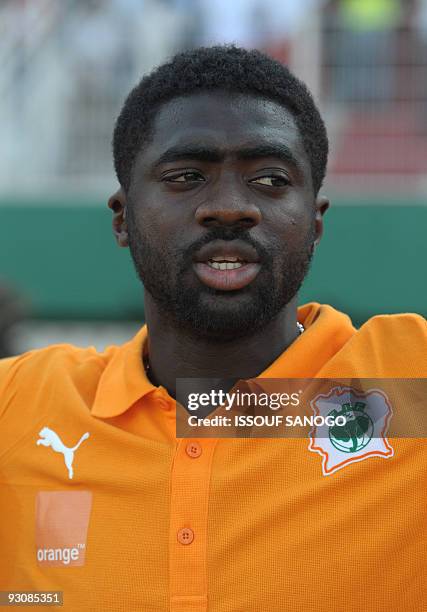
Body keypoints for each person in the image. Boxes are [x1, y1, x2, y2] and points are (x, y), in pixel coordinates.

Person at [0, 46, 425, 612]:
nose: (229, 207)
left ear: (316, 220)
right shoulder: (20, 407)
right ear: (122, 217)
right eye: (186, 176)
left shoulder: (408, 376)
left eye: (271, 179)